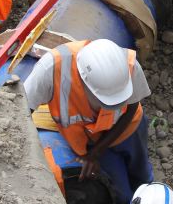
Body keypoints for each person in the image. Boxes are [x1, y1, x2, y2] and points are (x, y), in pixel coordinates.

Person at [22, 39, 153, 185]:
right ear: (83, 80)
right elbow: (21, 110)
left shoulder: (129, 65)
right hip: (86, 141)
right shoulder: (50, 70)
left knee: (141, 169)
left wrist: (96, 152)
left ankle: (146, 186)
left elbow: (132, 107)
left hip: (128, 127)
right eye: (108, 100)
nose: (115, 105)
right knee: (117, 188)